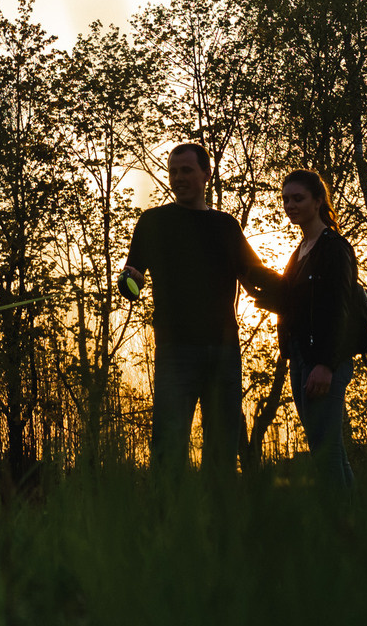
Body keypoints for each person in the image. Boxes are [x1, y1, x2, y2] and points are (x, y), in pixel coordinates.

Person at [119, 141, 279, 473]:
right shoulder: (153, 222)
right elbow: (133, 273)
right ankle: (169, 522)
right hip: (175, 349)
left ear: (207, 174)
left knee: (222, 448)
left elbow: (255, 273)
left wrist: (297, 282)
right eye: (173, 172)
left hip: (224, 352)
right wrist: (128, 280)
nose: (178, 178)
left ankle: (217, 522)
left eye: (187, 170)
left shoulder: (226, 226)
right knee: (168, 446)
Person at [271, 167, 360, 490]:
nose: (290, 205)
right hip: (300, 357)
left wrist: (325, 364)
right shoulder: (299, 252)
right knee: (328, 449)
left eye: (298, 198)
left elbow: (339, 309)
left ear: (319, 200)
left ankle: (341, 530)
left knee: (327, 450)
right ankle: (351, 528)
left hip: (323, 361)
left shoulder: (334, 247)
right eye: (285, 200)